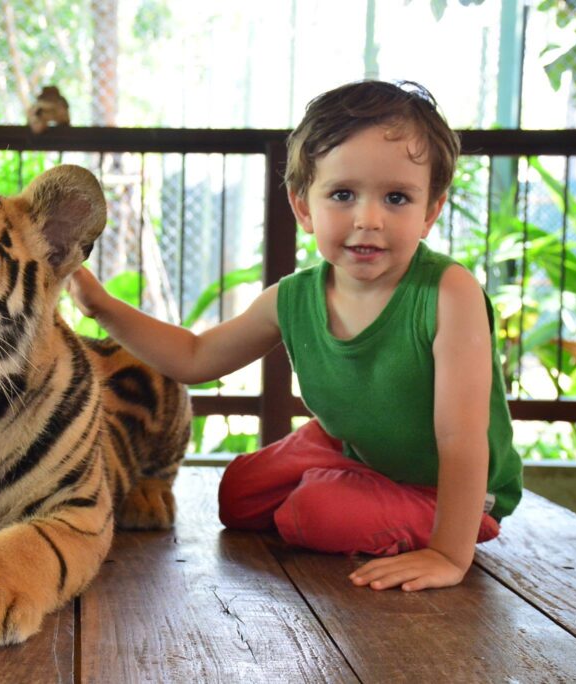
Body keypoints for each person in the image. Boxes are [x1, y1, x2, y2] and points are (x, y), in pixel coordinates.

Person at [68, 80, 523, 592]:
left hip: (450, 490)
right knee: (239, 495)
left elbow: (461, 442)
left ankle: (358, 493)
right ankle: (347, 471)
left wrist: (447, 554)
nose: (368, 219)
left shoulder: (448, 293)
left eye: (397, 197)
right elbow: (194, 358)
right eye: (343, 194)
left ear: (430, 211)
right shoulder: (294, 297)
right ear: (304, 207)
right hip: (361, 451)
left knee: (313, 514)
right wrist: (99, 305)